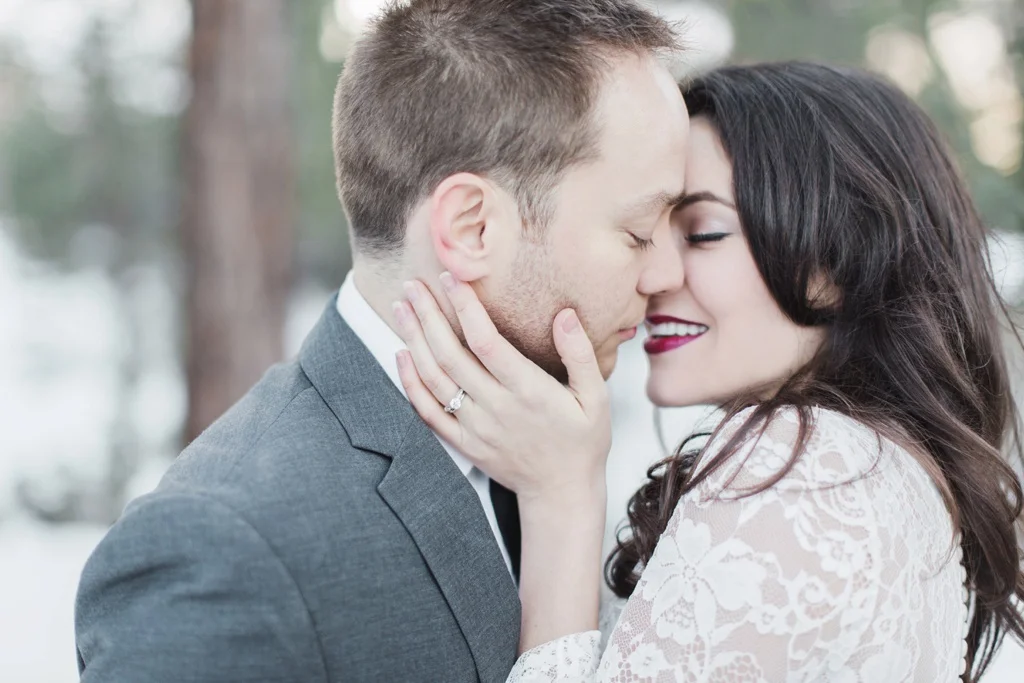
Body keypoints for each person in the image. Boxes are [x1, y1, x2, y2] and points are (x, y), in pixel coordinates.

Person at [72, 1, 690, 681]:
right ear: (473, 227)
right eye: (638, 233)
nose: (669, 274)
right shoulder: (220, 550)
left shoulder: (549, 442)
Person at [394, 62, 1024, 681]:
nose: (657, 275)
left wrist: (560, 494)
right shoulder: (886, 470)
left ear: (837, 261)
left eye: (702, 233)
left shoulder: (802, 467)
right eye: (645, 233)